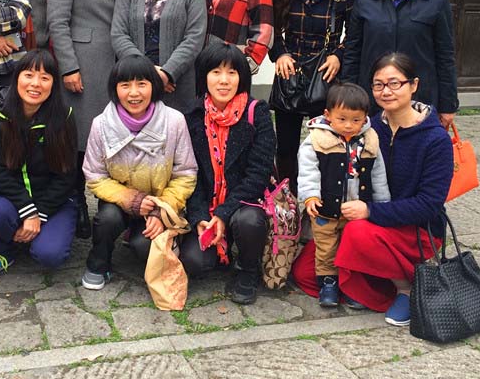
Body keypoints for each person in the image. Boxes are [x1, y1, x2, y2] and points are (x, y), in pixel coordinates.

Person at [292, 52, 453, 326]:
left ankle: (406, 288)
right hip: (360, 221)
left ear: (413, 85)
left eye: (395, 83)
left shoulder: (435, 138)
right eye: (378, 84)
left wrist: (371, 211)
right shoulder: (367, 127)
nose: (386, 91)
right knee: (305, 273)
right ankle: (367, 281)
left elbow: (429, 204)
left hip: (413, 229)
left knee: (355, 233)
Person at [48, 0, 134, 239]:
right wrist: (69, 66)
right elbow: (58, 22)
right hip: (83, 65)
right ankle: (77, 203)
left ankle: (111, 207)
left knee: (115, 137)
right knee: (80, 140)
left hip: (117, 66)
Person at [80, 55, 197, 290]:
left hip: (160, 202)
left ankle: (142, 235)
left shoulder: (174, 121)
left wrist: (161, 210)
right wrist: (131, 199)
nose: (134, 93)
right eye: (125, 85)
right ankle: (98, 263)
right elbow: (94, 175)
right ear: (115, 89)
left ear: (154, 86)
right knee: (107, 219)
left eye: (142, 84)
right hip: (120, 202)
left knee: (143, 247)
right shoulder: (101, 124)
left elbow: (185, 173)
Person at [179, 43, 275, 305]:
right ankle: (223, 248)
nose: (224, 80)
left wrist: (223, 213)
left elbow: (258, 174)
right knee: (195, 261)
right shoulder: (193, 115)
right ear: (204, 77)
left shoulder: (257, 113)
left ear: (241, 77)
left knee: (248, 221)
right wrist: (200, 217)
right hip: (207, 206)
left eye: (232, 72)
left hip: (244, 202)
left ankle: (248, 269)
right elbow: (189, 173)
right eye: (216, 72)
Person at [0, 49, 78, 283]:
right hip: (10, 197)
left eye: (45, 77)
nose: (35, 84)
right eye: (29, 75)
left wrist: (40, 213)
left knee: (50, 254)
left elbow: (67, 174)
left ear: (53, 84)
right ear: (17, 77)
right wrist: (28, 211)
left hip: (54, 200)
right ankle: (2, 252)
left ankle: (39, 234)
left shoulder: (63, 116)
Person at [341, 0, 458, 128]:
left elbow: (445, 56)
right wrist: (349, 97)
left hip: (419, 101)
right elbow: (352, 52)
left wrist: (448, 105)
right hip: (373, 99)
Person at [269, 0, 358, 181]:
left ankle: (321, 198)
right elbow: (270, 28)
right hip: (290, 74)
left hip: (325, 75)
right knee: (286, 148)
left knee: (326, 144)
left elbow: (355, 34)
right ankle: (287, 196)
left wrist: (338, 56)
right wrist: (280, 54)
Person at [297, 82, 389, 307]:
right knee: (326, 248)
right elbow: (308, 171)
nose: (349, 125)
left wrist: (382, 203)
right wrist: (310, 196)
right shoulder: (317, 139)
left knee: (353, 249)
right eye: (342, 119)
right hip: (325, 210)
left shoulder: (370, 139)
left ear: (365, 118)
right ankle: (328, 283)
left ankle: (353, 285)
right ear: (328, 115)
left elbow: (378, 174)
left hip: (356, 211)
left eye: (356, 120)